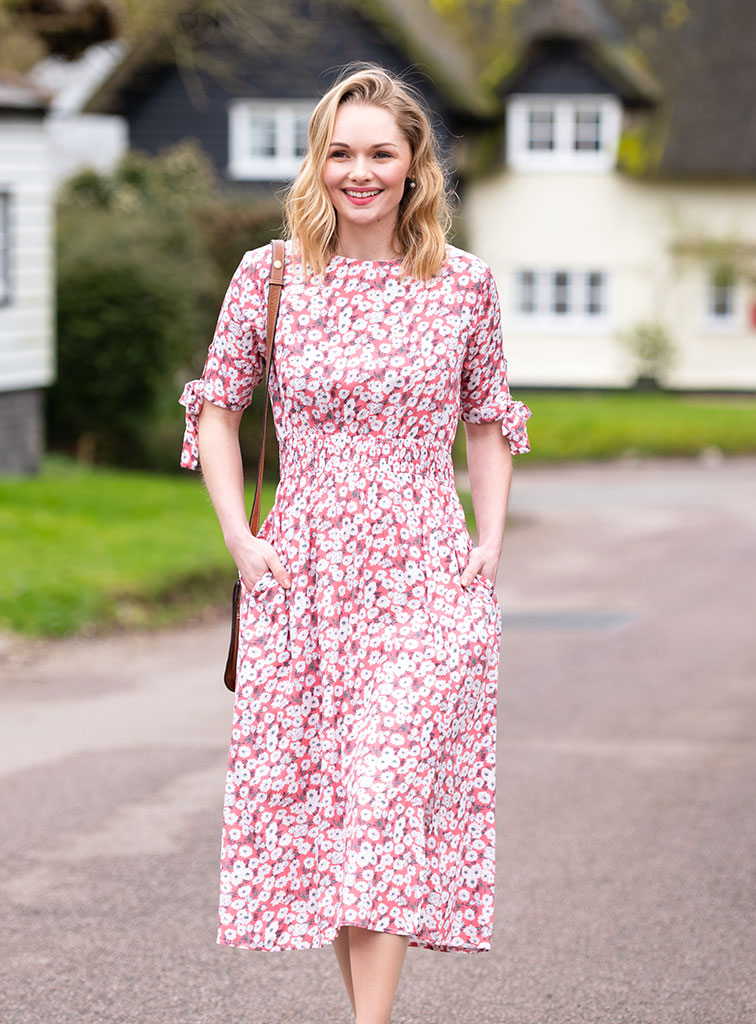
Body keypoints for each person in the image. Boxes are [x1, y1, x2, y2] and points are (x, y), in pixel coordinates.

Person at [179, 63, 531, 1024]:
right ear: (318, 162)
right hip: (304, 575)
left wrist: (488, 540)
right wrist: (240, 541)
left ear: (416, 165)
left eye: (381, 152)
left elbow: (488, 420)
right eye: (342, 152)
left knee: (381, 801)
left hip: (424, 573)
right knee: (342, 815)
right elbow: (216, 407)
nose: (360, 171)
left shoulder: (464, 287)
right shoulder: (274, 275)